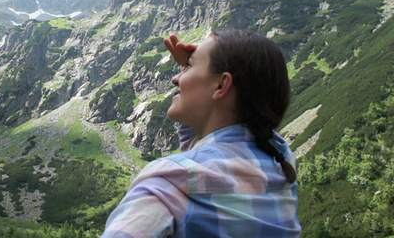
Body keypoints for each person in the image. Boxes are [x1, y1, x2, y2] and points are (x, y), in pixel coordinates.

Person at [102, 28, 301, 237]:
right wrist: (196, 67)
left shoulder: (170, 184)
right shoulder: (279, 159)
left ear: (222, 84)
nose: (176, 79)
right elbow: (205, 142)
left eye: (188, 66)